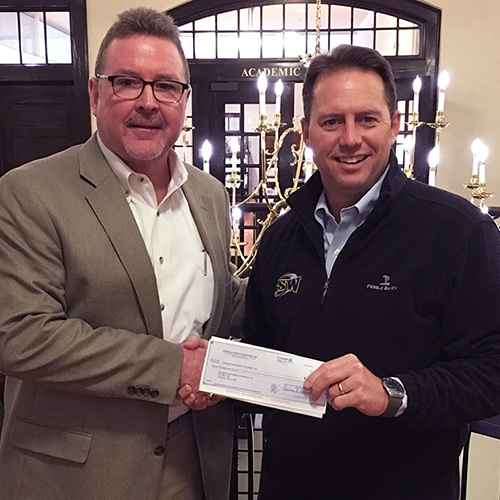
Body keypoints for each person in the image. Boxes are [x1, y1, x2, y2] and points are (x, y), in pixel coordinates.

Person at [0, 7, 244, 500]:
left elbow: (220, 305)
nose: (148, 102)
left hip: (192, 455)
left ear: (185, 99)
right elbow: (21, 335)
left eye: (166, 86)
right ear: (95, 94)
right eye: (127, 82)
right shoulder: (30, 191)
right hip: (77, 469)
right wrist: (174, 368)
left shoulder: (210, 194)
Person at [244, 44, 500, 500]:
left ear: (395, 124)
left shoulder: (459, 232)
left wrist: (391, 394)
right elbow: (264, 356)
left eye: (366, 119)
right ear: (304, 132)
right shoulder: (281, 238)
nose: (350, 138)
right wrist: (214, 372)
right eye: (331, 121)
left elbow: (491, 372)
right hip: (288, 487)